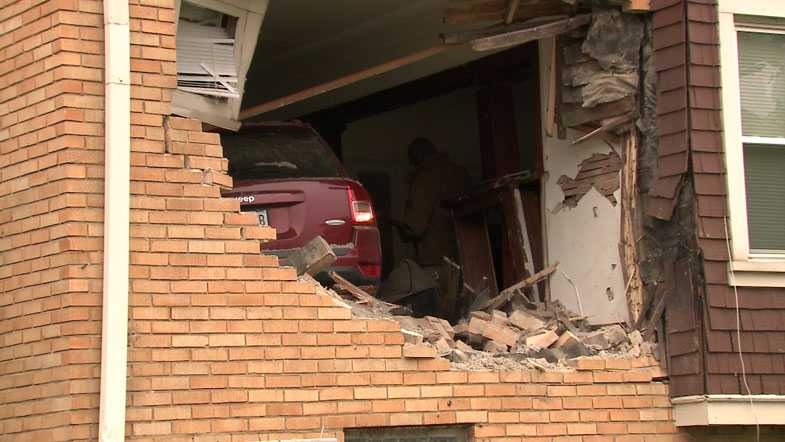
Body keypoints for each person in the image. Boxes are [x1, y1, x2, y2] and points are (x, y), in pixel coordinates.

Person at [398, 137, 471, 267]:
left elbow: (415, 227)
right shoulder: (460, 173)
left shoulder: (425, 179)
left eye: (413, 162)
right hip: (466, 255)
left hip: (436, 258)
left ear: (418, 157)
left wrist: (397, 224)